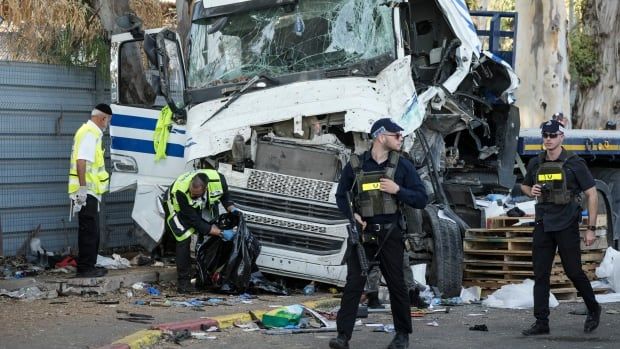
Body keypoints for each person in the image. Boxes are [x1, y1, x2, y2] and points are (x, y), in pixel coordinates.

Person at [330, 118, 428, 349]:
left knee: (397, 285)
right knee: (354, 285)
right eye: (397, 135)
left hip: (390, 234)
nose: (400, 138)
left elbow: (421, 199)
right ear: (381, 136)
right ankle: (343, 336)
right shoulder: (356, 165)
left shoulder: (403, 166)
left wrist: (398, 190)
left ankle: (402, 335)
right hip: (363, 237)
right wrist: (352, 216)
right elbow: (341, 195)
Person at [520, 119, 601, 335]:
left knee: (573, 271)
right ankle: (541, 322)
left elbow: (591, 194)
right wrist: (531, 191)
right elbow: (525, 185)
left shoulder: (575, 163)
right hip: (543, 223)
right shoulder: (536, 162)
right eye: (545, 135)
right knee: (540, 274)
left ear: (561, 137)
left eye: (553, 135)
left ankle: (594, 308)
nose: (548, 139)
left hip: (566, 224)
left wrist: (590, 228)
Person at [164, 169, 239, 293]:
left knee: (210, 229)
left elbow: (225, 198)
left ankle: (203, 276)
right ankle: (183, 283)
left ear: (205, 189)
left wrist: (233, 210)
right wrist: (221, 233)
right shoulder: (181, 192)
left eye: (196, 194)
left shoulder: (219, 180)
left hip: (198, 205)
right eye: (192, 193)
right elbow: (196, 222)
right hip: (174, 205)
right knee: (183, 238)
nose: (192, 195)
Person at [68, 104, 112, 278]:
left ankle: (89, 265)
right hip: (86, 191)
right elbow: (81, 162)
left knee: (91, 229)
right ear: (103, 118)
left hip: (89, 191)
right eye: (108, 120)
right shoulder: (89, 133)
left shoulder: (90, 133)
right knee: (89, 230)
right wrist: (83, 188)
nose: (107, 123)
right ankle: (85, 268)